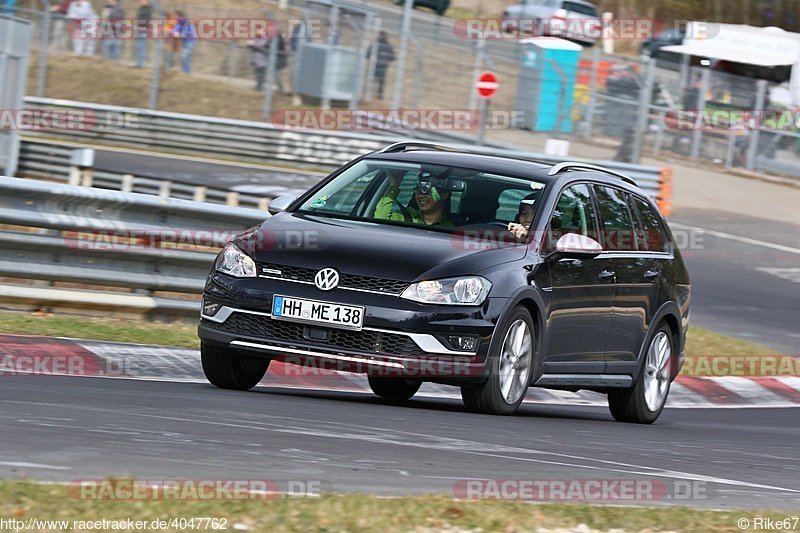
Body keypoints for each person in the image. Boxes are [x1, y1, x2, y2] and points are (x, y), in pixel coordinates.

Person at [373, 169, 454, 227]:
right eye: (418, 191)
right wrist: (394, 185)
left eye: (427, 191)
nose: (421, 196)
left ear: (444, 195)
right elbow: (379, 221)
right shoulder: (406, 216)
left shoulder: (449, 228)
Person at [374, 31, 395, 100]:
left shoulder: (376, 44)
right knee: (381, 82)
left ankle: (375, 96)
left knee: (373, 80)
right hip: (383, 66)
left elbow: (368, 54)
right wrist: (386, 60)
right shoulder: (389, 46)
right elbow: (392, 57)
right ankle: (380, 96)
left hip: (376, 65)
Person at [134, 0, 152, 68]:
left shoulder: (148, 9)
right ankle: (138, 63)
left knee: (142, 47)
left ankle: (142, 64)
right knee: (138, 47)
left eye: (142, 1)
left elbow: (146, 19)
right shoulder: (140, 8)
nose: (140, 2)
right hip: (138, 29)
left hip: (144, 29)